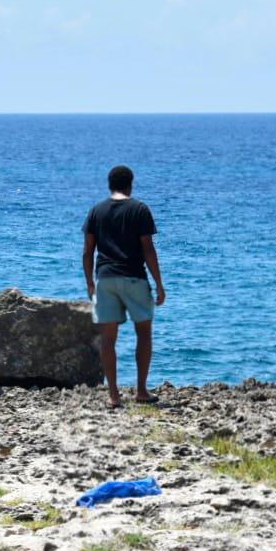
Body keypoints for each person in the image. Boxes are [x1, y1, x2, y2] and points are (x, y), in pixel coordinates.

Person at [82, 165, 166, 408]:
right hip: (134, 278)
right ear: (130, 184)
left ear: (110, 185)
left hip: (105, 278)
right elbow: (148, 248)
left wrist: (89, 282)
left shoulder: (96, 211)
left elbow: (88, 251)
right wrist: (159, 283)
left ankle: (113, 395)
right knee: (143, 333)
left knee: (108, 339)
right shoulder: (139, 209)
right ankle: (141, 390)